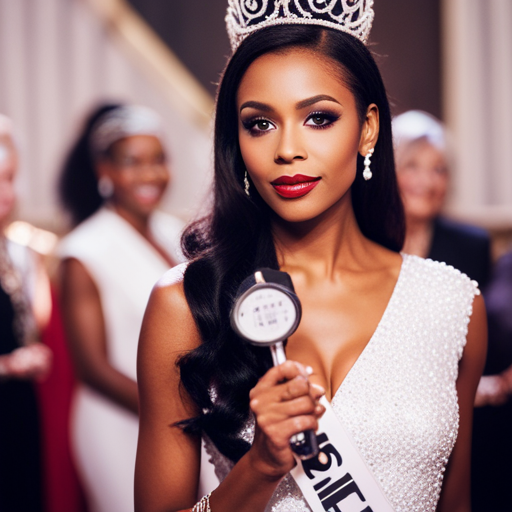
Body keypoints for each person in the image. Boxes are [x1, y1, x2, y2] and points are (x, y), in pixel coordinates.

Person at [135, 3, 487, 511]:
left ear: (367, 129)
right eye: (259, 124)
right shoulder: (188, 304)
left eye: (318, 118)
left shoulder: (453, 307)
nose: (287, 149)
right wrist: (258, 468)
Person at [58, 104, 185, 512]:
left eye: (158, 160)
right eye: (133, 162)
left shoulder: (178, 233)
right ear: (105, 171)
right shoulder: (83, 250)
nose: (149, 174)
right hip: (118, 420)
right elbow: (91, 367)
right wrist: (177, 412)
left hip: (183, 420)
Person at [0, 114, 52, 512]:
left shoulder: (16, 251)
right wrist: (10, 366)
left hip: (17, 414)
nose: (5, 193)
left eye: (10, 178)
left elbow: (32, 327)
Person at [392, 110, 492, 289]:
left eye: (438, 170)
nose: (427, 182)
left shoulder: (473, 246)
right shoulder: (363, 240)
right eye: (412, 166)